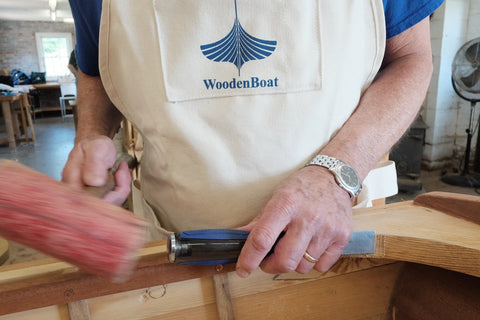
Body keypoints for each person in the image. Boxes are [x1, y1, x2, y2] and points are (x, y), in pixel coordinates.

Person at [64, 0, 444, 278]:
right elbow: (95, 66)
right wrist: (92, 133)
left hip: (332, 241)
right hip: (179, 246)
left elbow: (409, 58)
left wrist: (333, 176)